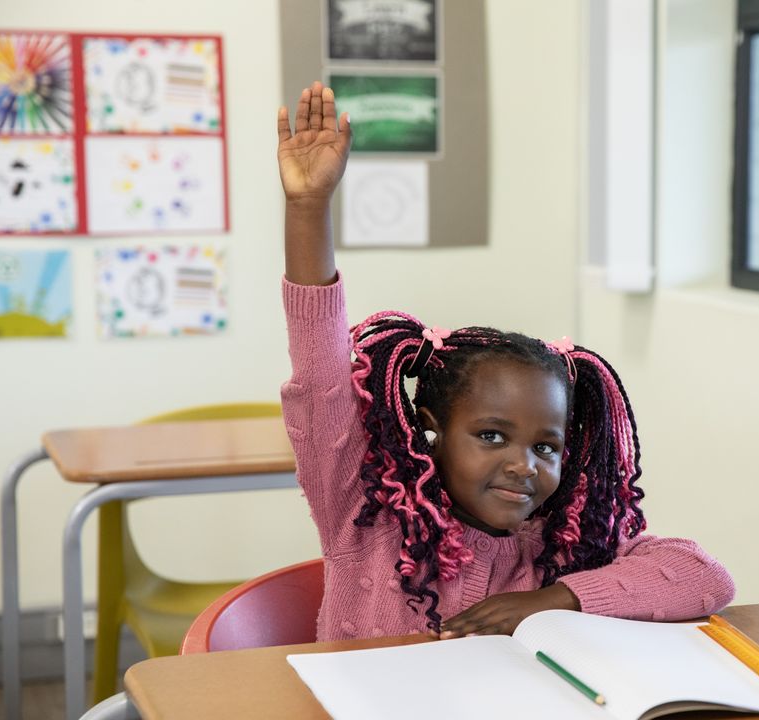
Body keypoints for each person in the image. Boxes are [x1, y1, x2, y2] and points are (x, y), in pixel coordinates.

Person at [277, 82, 735, 641]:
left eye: (546, 447)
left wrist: (553, 599)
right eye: (492, 436)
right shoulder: (363, 516)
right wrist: (307, 208)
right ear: (431, 433)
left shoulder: (563, 542)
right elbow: (320, 369)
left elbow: (706, 576)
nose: (525, 465)